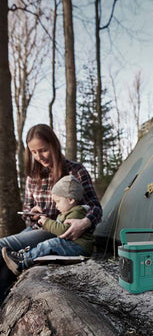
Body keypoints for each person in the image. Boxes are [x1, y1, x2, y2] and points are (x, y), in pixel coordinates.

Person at [0, 124, 102, 303]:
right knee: (4, 255)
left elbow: (96, 207)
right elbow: (27, 209)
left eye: (43, 150)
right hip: (37, 228)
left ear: (54, 145)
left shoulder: (75, 172)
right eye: (34, 152)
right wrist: (31, 213)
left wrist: (84, 223)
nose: (39, 157)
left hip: (61, 231)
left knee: (2, 244)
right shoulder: (33, 177)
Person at [2, 175, 95, 276]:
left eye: (58, 201)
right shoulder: (66, 212)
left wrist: (47, 222)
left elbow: (64, 231)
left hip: (79, 246)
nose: (56, 205)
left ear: (71, 200)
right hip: (72, 244)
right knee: (47, 243)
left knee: (50, 244)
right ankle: (24, 256)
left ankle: (23, 261)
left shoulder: (77, 212)